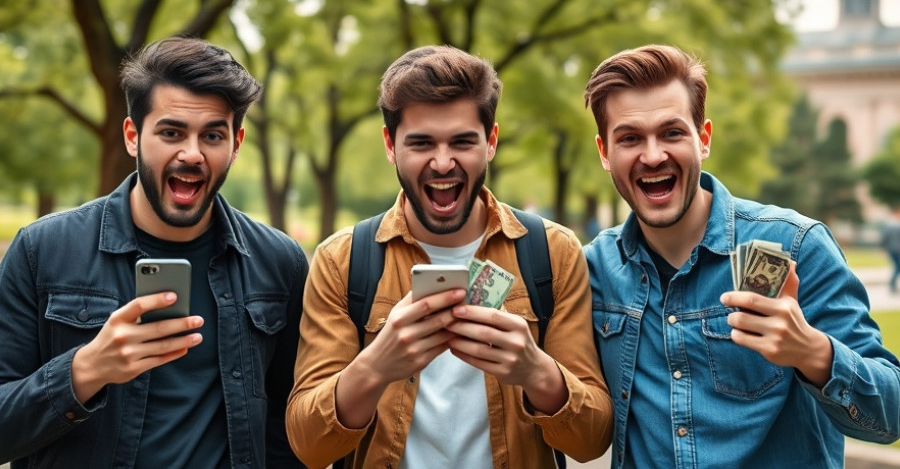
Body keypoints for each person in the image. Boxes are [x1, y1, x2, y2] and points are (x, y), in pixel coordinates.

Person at [285, 45, 613, 468]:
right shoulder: (341, 262)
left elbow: (592, 441)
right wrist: (375, 366)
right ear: (390, 145)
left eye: (462, 141)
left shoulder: (553, 252)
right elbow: (309, 447)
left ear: (490, 142)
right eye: (421, 143)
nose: (443, 163)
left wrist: (537, 372)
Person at [582, 44, 900, 468]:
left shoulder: (796, 245)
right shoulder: (594, 268)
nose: (653, 154)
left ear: (704, 139)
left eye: (672, 132)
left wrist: (814, 353)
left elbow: (890, 416)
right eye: (630, 138)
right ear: (605, 153)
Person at [0, 36, 308, 468]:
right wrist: (85, 370)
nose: (191, 154)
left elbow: (289, 427)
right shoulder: (42, 251)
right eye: (171, 132)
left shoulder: (280, 263)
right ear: (132, 136)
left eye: (213, 135)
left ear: (236, 144)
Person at [881, 207, 900, 294]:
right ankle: (892, 284)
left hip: (892, 250)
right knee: (897, 267)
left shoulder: (888, 226)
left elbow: (884, 239)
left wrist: (883, 249)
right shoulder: (895, 226)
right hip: (896, 250)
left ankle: (892, 285)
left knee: (897, 267)